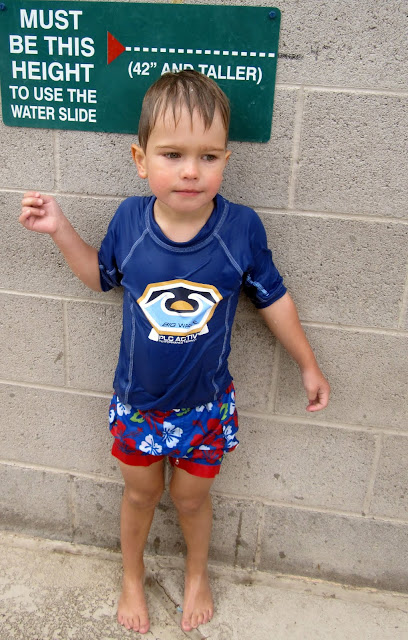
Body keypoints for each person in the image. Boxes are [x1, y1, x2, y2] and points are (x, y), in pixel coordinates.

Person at [19, 70, 330, 635]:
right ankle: (132, 576)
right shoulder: (130, 221)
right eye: (173, 154)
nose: (191, 170)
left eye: (208, 156)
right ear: (141, 160)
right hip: (138, 405)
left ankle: (196, 574)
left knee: (191, 501)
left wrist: (307, 363)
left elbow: (274, 297)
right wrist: (60, 229)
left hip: (205, 406)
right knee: (140, 496)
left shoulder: (240, 228)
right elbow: (100, 277)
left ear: (226, 160)